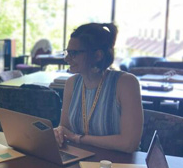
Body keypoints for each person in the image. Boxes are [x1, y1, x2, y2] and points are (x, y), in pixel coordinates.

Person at [54, 23, 143, 153]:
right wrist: (59, 132)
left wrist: (78, 138)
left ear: (97, 56)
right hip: (81, 157)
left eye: (74, 53)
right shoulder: (71, 83)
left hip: (121, 163)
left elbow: (129, 144)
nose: (67, 58)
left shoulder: (126, 83)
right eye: (67, 52)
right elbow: (65, 128)